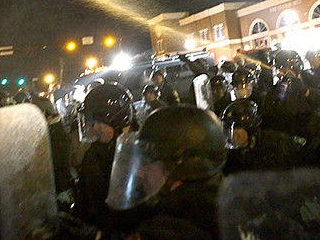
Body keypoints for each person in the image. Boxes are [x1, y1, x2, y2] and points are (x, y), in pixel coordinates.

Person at [106, 106, 227, 239]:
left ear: (180, 168)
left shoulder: (173, 231)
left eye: (147, 163)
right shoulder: (220, 205)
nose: (139, 172)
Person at [74, 83, 134, 233]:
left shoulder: (139, 152)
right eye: (92, 123)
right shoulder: (94, 152)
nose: (95, 128)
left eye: (100, 123)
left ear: (119, 120)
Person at [221, 99, 320, 174]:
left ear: (249, 128)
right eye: (228, 128)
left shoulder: (277, 144)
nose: (232, 133)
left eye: (236, 128)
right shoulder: (226, 153)